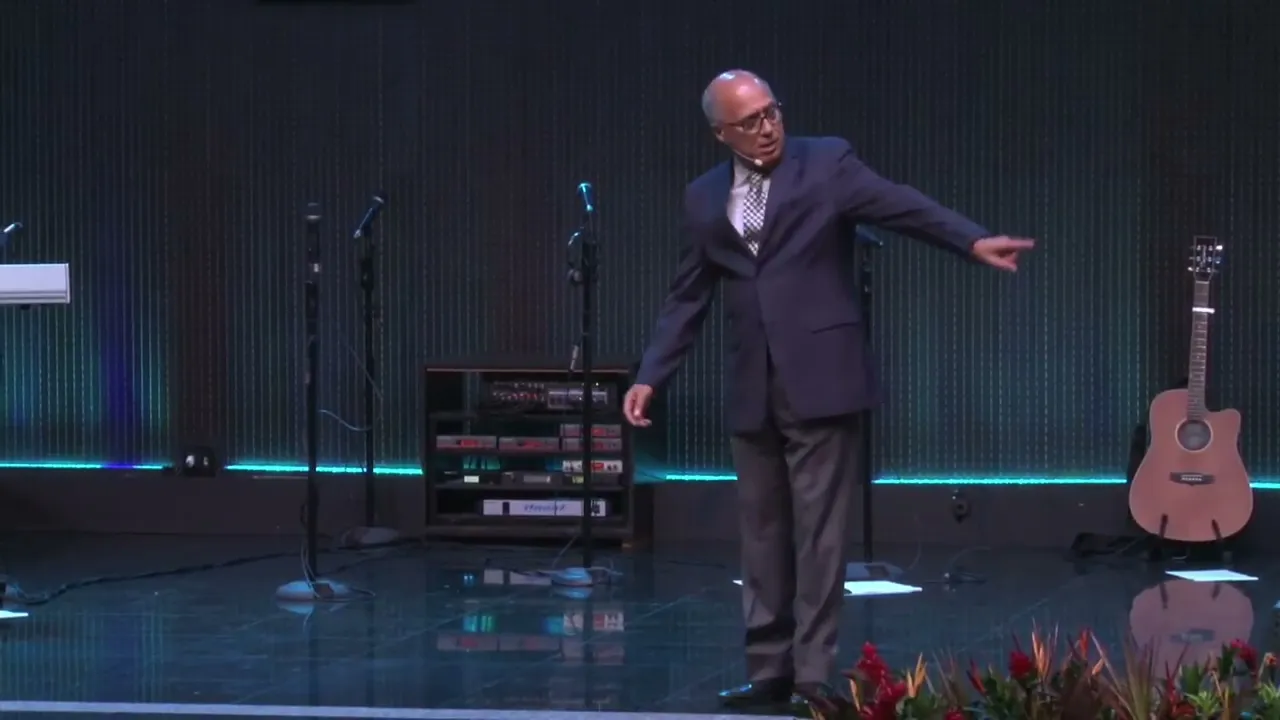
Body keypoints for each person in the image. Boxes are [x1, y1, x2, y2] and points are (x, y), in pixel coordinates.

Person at [624, 70, 1035, 711]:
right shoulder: (703, 197)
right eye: (750, 122)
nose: (768, 128)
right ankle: (769, 671)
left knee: (820, 535)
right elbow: (687, 296)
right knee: (762, 535)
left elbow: (903, 206)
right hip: (753, 384)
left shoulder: (826, 164)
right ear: (721, 133)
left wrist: (971, 240)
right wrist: (652, 374)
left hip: (821, 375)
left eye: (772, 112)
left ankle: (812, 677)